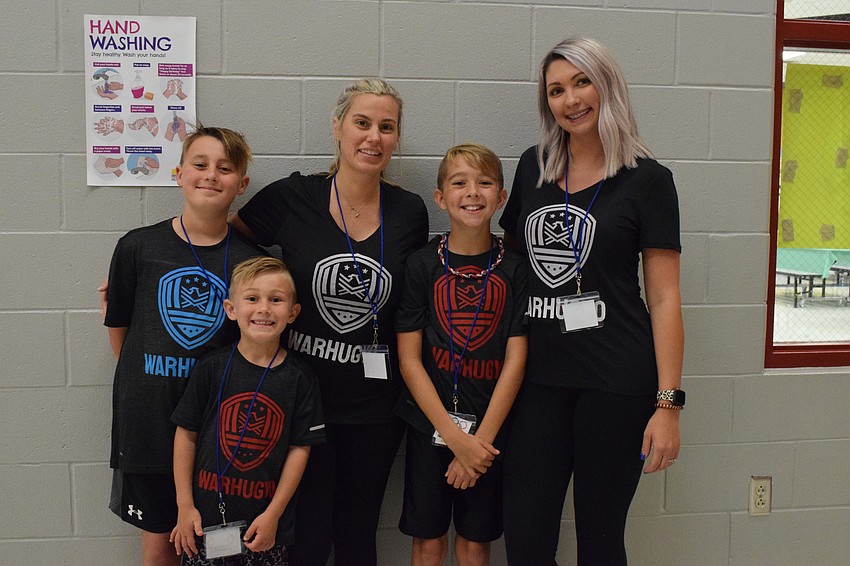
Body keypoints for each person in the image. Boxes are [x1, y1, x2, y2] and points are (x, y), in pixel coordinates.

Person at [499, 37, 684, 566]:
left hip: (616, 381)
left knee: (600, 543)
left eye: (582, 82)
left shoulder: (648, 180)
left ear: (608, 87)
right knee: (526, 540)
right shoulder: (532, 166)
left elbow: (666, 298)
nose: (570, 99)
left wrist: (668, 404)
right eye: (556, 89)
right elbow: (513, 263)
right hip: (537, 380)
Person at [230, 78, 429, 565]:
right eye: (362, 122)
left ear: (396, 138)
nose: (373, 137)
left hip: (375, 408)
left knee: (359, 537)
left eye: (387, 127)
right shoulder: (293, 196)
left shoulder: (409, 211)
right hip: (300, 399)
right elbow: (226, 246)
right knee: (307, 538)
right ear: (338, 127)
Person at [104, 126, 264, 566]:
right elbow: (120, 330)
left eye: (225, 168)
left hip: (217, 430)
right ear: (178, 173)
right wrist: (149, 377)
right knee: (160, 547)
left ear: (241, 184)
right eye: (200, 164)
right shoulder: (137, 247)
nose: (211, 175)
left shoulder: (253, 263)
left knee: (218, 548)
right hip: (149, 427)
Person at [394, 143, 528, 566]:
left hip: (490, 431)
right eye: (459, 183)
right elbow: (409, 361)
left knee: (475, 541)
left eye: (485, 183)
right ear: (440, 197)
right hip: (430, 427)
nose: (473, 192)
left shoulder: (516, 268)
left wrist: (479, 444)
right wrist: (454, 438)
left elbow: (516, 359)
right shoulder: (420, 265)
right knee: (428, 540)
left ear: (501, 198)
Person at [170, 256, 326, 565]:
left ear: (293, 313)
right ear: (231, 309)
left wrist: (274, 514)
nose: (264, 308)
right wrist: (184, 506)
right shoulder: (211, 368)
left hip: (263, 529)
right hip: (204, 524)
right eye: (252, 298)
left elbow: (299, 449)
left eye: (276, 299)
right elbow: (186, 435)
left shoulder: (300, 378)